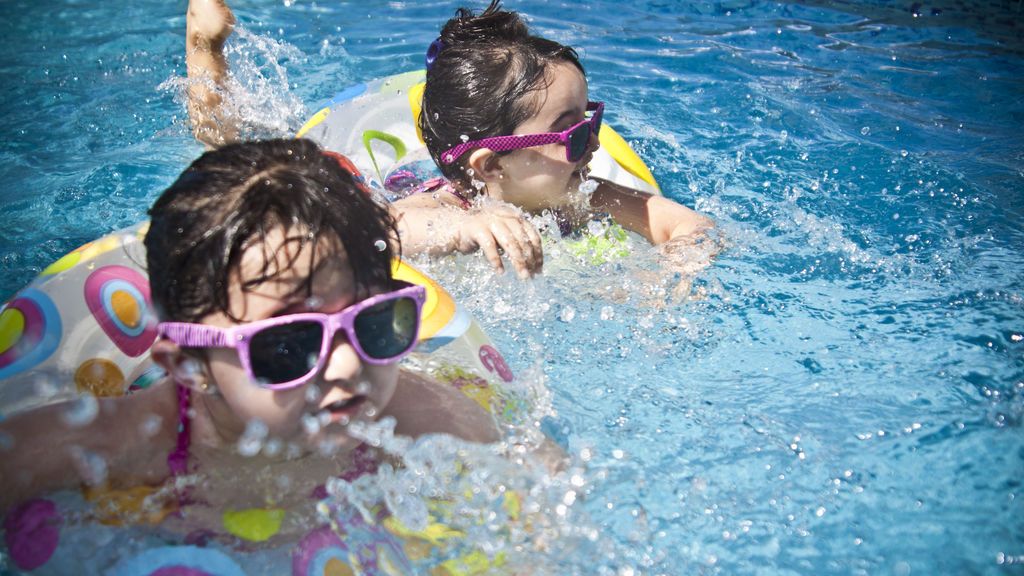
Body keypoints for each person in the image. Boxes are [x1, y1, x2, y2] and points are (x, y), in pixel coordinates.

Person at [0, 138, 499, 517]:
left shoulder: (425, 422)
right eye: (289, 344)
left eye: (373, 324)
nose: (349, 365)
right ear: (188, 365)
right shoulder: (106, 449)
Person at [184, 0, 715, 280]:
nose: (593, 147)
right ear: (489, 167)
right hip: (380, 185)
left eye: (591, 122)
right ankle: (205, 46)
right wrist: (467, 225)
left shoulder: (585, 195)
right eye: (572, 136)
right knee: (235, 158)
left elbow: (684, 223)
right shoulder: (447, 202)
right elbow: (385, 232)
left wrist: (678, 270)